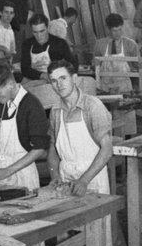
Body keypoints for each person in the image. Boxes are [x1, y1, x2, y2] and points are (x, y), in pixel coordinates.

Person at [0, 61, 50, 193]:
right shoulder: (1, 103)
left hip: (21, 174)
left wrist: (7, 171)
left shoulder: (31, 105)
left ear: (10, 84)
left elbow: (39, 149)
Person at [46, 61, 114, 197]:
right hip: (66, 179)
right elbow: (52, 148)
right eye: (54, 81)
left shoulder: (93, 106)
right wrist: (54, 174)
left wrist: (84, 181)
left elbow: (107, 150)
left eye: (63, 78)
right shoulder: (55, 111)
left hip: (92, 178)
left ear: (74, 78)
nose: (59, 85)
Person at [19, 14, 76, 83]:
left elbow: (73, 64)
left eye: (42, 31)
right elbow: (24, 69)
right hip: (32, 80)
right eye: (35, 32)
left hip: (54, 81)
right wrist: (42, 75)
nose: (39, 36)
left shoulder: (59, 43)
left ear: (47, 28)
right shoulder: (27, 44)